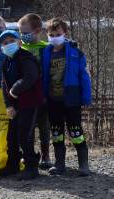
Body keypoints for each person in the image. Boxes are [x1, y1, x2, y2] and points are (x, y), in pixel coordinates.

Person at [42, 17, 92, 176]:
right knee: (56, 133)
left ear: (65, 33)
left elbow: (84, 76)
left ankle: (83, 165)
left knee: (76, 132)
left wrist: (86, 97)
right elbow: (43, 75)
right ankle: (59, 164)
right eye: (51, 34)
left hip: (71, 100)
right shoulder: (46, 52)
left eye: (57, 33)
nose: (54, 37)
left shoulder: (75, 52)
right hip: (52, 100)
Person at [0, 30, 44, 180]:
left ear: (19, 42)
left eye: (11, 41)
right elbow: (4, 86)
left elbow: (30, 77)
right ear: (1, 48)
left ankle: (31, 167)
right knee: (11, 136)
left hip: (30, 103)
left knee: (25, 135)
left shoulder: (26, 57)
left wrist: (14, 89)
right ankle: (13, 165)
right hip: (15, 105)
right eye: (5, 43)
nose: (8, 44)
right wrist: (8, 105)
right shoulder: (6, 62)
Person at [18, 13, 52, 169]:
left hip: (44, 96)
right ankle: (29, 155)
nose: (22, 36)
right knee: (27, 128)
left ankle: (46, 155)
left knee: (44, 127)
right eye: (20, 33)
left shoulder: (46, 48)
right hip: (26, 98)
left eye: (25, 32)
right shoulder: (20, 48)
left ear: (37, 31)